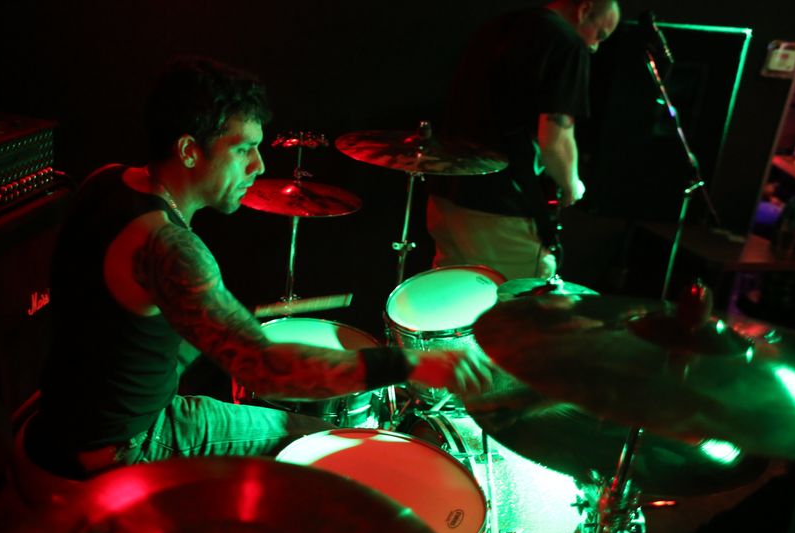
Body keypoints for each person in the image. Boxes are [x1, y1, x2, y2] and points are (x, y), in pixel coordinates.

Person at [30, 56, 492, 479]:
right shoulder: (170, 247)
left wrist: (221, 334)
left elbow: (105, 326)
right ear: (189, 150)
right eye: (242, 149)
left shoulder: (105, 180)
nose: (259, 165)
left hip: (67, 417)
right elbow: (268, 373)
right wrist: (411, 363)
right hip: (129, 444)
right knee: (324, 446)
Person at [427, 0, 620, 280]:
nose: (594, 47)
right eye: (599, 34)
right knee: (528, 298)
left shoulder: (495, 27)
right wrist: (571, 184)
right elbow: (555, 139)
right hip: (499, 206)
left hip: (446, 195)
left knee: (452, 299)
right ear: (584, 10)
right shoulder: (567, 43)